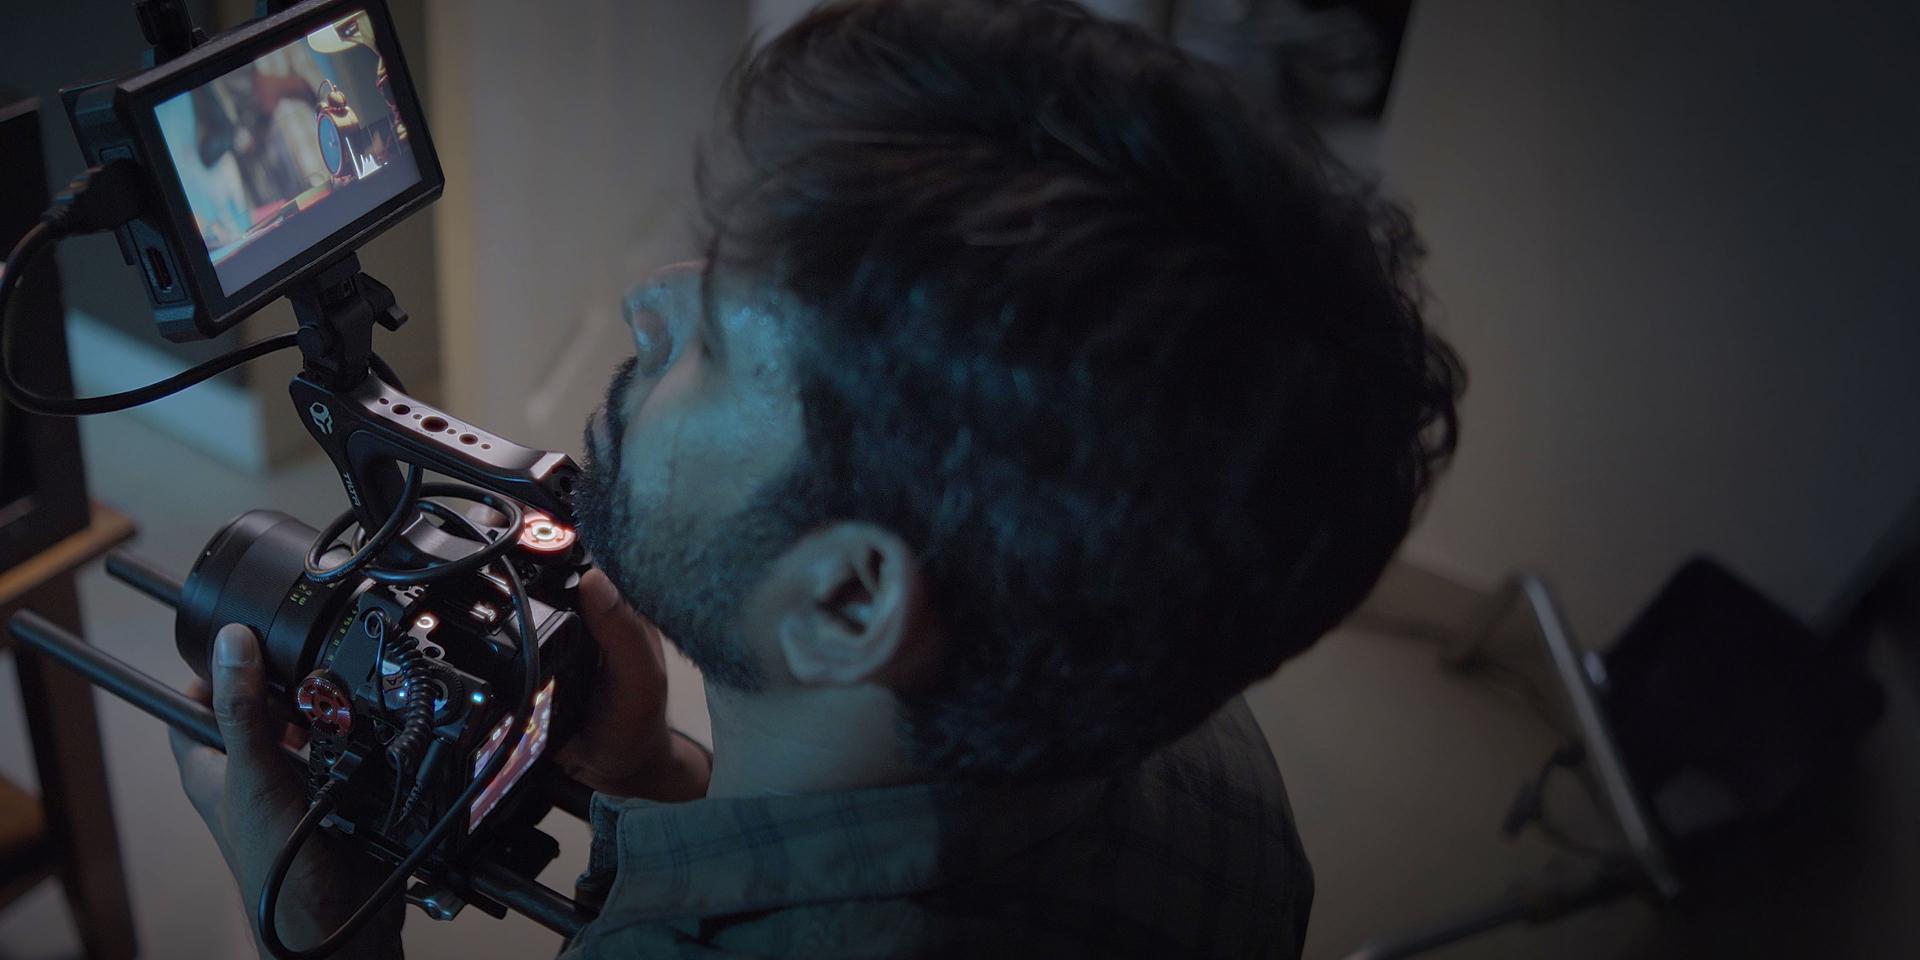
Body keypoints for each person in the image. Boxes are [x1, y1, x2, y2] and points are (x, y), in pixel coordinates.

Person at [168, 0, 1462, 956]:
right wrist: (664, 774)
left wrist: (322, 932)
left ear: (847, 604)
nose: (649, 303)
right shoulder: (1204, 755)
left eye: (724, 339)